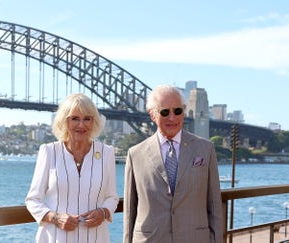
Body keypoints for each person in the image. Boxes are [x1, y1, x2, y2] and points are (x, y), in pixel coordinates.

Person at [123, 85, 223, 243]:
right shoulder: (135, 154)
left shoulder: (206, 149)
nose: (172, 118)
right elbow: (130, 210)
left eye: (177, 111)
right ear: (152, 115)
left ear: (184, 111)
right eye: (164, 112)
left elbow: (215, 206)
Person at [26, 93, 119, 243]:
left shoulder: (106, 153)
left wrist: (103, 212)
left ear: (93, 122)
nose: (81, 125)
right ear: (64, 121)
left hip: (95, 238)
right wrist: (55, 218)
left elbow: (112, 197)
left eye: (87, 119)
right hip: (55, 238)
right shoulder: (49, 151)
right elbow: (32, 200)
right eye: (75, 118)